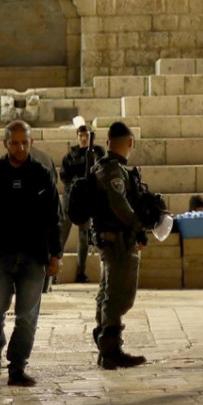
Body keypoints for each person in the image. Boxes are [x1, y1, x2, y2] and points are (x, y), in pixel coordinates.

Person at [0, 120, 63, 387]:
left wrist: (56, 254)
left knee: (28, 315)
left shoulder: (42, 174)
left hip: (34, 256)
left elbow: (54, 217)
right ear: (5, 143)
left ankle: (17, 366)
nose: (20, 147)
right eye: (14, 142)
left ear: (31, 143)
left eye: (24, 142)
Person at [89, 122, 149, 370]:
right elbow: (119, 204)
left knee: (109, 292)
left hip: (112, 240)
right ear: (130, 142)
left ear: (108, 142)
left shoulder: (107, 168)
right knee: (119, 295)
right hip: (118, 241)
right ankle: (111, 350)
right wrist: (138, 227)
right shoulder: (113, 171)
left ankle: (107, 347)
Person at [59, 119, 106, 283]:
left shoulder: (97, 152)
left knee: (84, 236)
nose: (84, 139)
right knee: (63, 233)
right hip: (72, 198)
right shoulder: (71, 156)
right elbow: (64, 176)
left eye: (86, 135)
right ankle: (54, 267)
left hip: (87, 199)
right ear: (77, 137)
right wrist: (77, 185)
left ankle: (81, 271)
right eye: (81, 136)